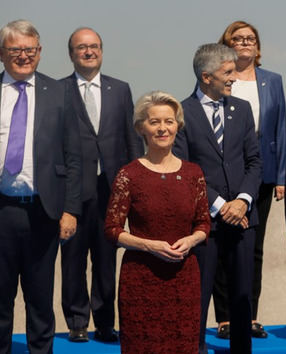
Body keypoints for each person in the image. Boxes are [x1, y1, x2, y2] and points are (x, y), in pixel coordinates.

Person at [104, 91, 209, 353]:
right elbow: (112, 230)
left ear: (178, 125)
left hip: (185, 280)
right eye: (154, 122)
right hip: (141, 280)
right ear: (142, 128)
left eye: (169, 121)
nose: (163, 128)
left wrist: (192, 239)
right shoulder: (129, 174)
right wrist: (149, 246)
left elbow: (204, 223)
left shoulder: (193, 173)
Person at [173, 43, 262, 354]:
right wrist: (220, 206)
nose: (233, 78)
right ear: (206, 76)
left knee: (242, 294)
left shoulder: (242, 109)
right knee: (200, 291)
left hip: (243, 218)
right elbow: (184, 170)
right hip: (203, 223)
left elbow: (254, 161)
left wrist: (243, 201)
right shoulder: (181, 113)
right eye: (227, 72)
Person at [0, 19, 81, 354]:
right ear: (2, 53)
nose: (23, 56)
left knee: (40, 298)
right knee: (1, 298)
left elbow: (75, 157)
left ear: (40, 52)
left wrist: (71, 210)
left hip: (44, 212)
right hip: (2, 210)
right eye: (16, 50)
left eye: (30, 50)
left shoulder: (60, 92)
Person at [60, 27, 144, 343]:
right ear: (71, 54)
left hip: (111, 189)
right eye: (82, 47)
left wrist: (136, 184)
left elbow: (132, 138)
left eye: (94, 46)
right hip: (72, 191)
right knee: (73, 260)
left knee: (107, 260)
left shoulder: (120, 90)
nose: (88, 51)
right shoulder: (58, 91)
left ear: (102, 51)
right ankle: (77, 322)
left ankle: (105, 323)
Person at [213, 20, 286, 340]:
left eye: (250, 38)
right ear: (226, 45)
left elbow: (280, 130)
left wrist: (283, 175)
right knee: (221, 243)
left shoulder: (273, 81)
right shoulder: (217, 78)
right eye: (238, 38)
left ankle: (250, 315)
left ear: (258, 47)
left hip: (263, 174)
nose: (245, 43)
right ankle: (226, 317)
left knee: (252, 246)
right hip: (223, 172)